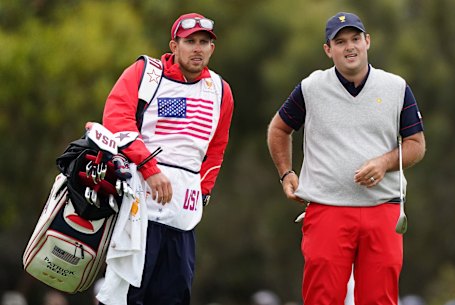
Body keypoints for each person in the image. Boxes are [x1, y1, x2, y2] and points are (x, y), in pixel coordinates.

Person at [267, 11, 425, 305]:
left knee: (379, 299)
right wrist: (286, 173)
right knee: (322, 298)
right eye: (340, 42)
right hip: (327, 208)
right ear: (328, 50)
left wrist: (384, 162)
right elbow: (279, 128)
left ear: (368, 42)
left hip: (384, 208)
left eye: (355, 39)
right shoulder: (311, 88)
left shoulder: (396, 87)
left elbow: (416, 144)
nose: (349, 47)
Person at [99, 12, 234, 304]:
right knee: (127, 293)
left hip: (182, 213)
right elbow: (117, 120)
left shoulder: (221, 91)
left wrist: (203, 192)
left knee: (175, 294)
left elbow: (216, 148)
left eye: (204, 42)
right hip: (138, 205)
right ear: (174, 45)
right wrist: (149, 168)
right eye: (190, 41)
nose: (197, 48)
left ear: (212, 48)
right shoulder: (146, 73)